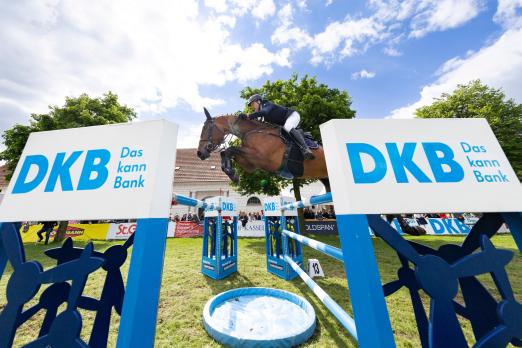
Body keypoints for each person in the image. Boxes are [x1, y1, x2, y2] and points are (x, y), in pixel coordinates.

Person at [246, 94, 315, 160]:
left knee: (287, 127)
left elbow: (264, 112)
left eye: (252, 104)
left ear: (258, 101)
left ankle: (306, 149)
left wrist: (249, 116)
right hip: (285, 122)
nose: (252, 107)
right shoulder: (261, 115)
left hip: (292, 116)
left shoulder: (267, 104)